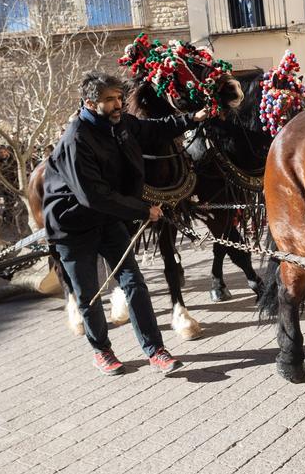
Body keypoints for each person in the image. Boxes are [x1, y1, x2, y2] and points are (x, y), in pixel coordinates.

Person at [43, 73, 208, 376]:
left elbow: (154, 129)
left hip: (107, 219)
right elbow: (94, 195)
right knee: (89, 294)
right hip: (73, 224)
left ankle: (155, 350)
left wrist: (192, 118)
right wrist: (144, 209)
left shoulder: (121, 123)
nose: (118, 104)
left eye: (119, 97)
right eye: (109, 100)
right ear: (90, 103)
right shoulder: (76, 139)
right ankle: (102, 351)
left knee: (134, 281)